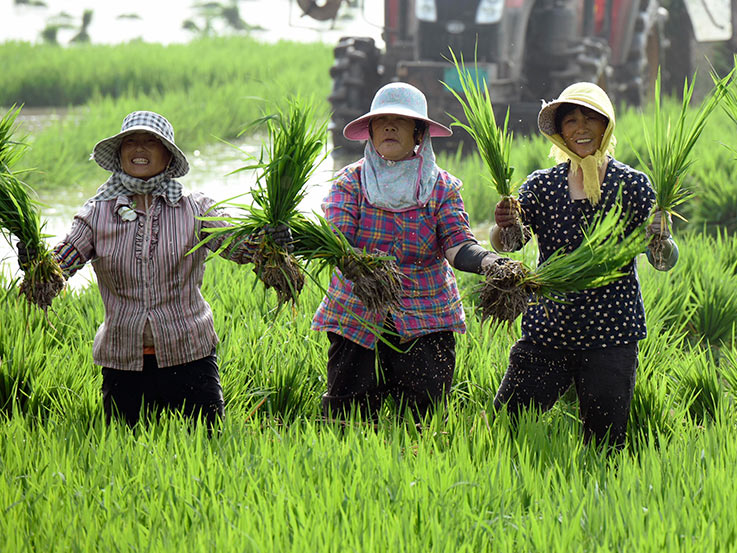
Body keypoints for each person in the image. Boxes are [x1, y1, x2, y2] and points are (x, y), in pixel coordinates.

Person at [18, 111, 275, 428]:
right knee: (128, 450)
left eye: (151, 142)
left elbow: (239, 247)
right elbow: (62, 264)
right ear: (119, 153)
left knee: (208, 446)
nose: (140, 148)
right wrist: (36, 265)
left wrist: (269, 242)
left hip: (189, 353)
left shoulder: (195, 209)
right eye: (131, 142)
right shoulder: (97, 213)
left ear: (168, 156)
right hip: (124, 359)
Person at [490, 82, 677, 448]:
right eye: (571, 120)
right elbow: (509, 245)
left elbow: (663, 261)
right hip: (548, 328)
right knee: (508, 426)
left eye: (590, 118)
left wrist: (662, 238)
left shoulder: (632, 185)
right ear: (560, 132)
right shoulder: (542, 185)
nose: (581, 128)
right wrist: (504, 224)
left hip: (611, 331)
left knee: (606, 441)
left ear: (606, 125)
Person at [310, 82, 505, 421]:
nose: (388, 126)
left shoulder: (441, 186)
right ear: (369, 131)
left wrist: (491, 262)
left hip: (426, 311)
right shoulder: (350, 183)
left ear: (418, 133)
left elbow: (457, 246)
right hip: (357, 308)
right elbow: (337, 239)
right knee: (348, 412)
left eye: (399, 120)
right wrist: (356, 264)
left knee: (422, 415)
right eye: (381, 120)